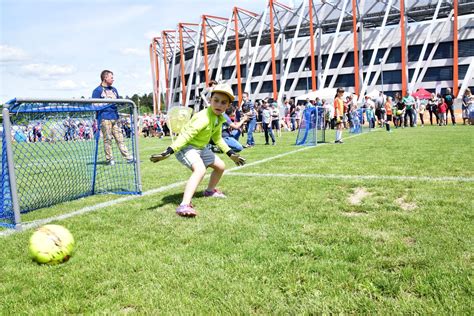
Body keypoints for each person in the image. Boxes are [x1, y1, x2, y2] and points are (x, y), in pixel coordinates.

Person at [150, 84, 246, 217]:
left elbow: (218, 139)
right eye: (216, 100)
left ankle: (209, 191)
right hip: (186, 147)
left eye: (223, 102)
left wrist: (231, 154)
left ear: (228, 106)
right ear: (210, 100)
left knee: (220, 166)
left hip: (200, 148)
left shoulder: (219, 118)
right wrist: (169, 151)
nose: (219, 104)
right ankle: (184, 205)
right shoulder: (203, 118)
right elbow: (185, 136)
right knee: (200, 170)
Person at [92, 70, 133, 166]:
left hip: (115, 117)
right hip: (104, 118)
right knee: (107, 139)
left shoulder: (114, 89)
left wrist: (123, 102)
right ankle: (109, 159)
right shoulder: (97, 91)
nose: (113, 79)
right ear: (105, 78)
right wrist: (107, 102)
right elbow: (94, 105)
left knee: (120, 138)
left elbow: (118, 101)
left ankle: (128, 157)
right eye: (111, 77)